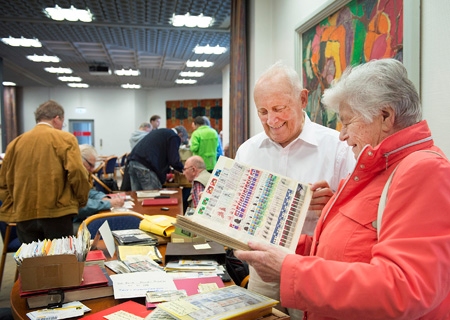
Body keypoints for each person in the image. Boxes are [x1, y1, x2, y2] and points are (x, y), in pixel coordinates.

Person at [235, 58, 450, 319]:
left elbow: (405, 287)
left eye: (348, 123)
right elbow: (345, 248)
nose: (342, 135)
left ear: (385, 117)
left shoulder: (423, 169)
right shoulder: (378, 165)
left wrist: (290, 268)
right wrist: (287, 249)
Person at [234, 61, 355, 317]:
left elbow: (358, 219)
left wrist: (334, 204)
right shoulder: (247, 151)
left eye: (279, 108)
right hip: (262, 271)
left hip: (312, 269)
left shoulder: (338, 148)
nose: (271, 120)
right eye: (263, 111)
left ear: (302, 99)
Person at [0, 100, 91, 243]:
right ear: (57, 118)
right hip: (58, 213)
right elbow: (78, 173)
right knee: (59, 261)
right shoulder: (65, 139)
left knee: (31, 262)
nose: (62, 126)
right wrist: (81, 200)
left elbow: (3, 183)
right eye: (63, 122)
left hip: (24, 214)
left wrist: (18, 202)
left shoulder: (14, 144)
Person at [73, 144, 125, 231]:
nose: (93, 170)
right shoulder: (71, 176)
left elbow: (89, 192)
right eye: (90, 165)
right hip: (72, 223)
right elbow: (80, 206)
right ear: (79, 160)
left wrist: (103, 198)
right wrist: (109, 203)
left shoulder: (80, 175)